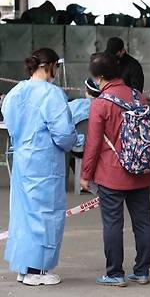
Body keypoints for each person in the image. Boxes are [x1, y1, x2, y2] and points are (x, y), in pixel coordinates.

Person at [1, 48, 77, 286]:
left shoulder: (15, 92)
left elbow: (11, 125)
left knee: (24, 216)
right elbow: (64, 134)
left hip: (23, 160)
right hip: (45, 163)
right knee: (45, 216)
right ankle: (37, 270)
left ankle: (24, 268)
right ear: (51, 66)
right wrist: (77, 140)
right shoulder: (52, 94)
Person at [81, 53, 150, 287]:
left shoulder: (101, 103)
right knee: (143, 222)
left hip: (112, 173)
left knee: (113, 223)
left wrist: (85, 175)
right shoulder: (138, 96)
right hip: (141, 170)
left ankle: (115, 274)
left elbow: (92, 144)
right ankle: (142, 271)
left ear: (99, 77)